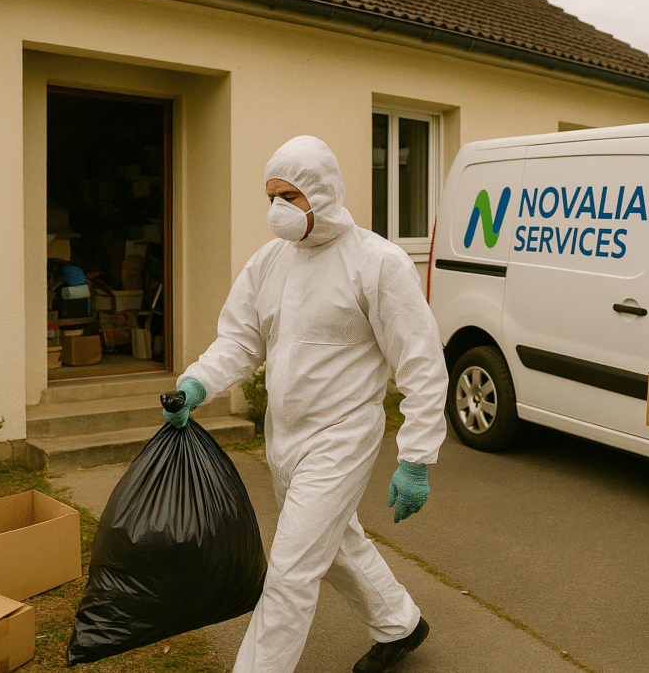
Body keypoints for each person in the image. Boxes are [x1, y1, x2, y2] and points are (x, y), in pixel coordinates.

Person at [161, 135, 448, 673]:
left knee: (291, 570)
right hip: (285, 435)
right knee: (334, 541)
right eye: (270, 196)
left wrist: (416, 457)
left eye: (288, 196)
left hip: (342, 437)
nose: (276, 210)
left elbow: (422, 363)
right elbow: (241, 340)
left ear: (321, 193)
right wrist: (197, 384)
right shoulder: (270, 263)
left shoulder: (378, 262)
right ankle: (400, 624)